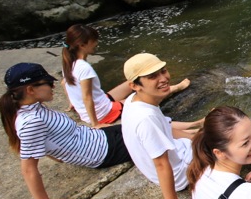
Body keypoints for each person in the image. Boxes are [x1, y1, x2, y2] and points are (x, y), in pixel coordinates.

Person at [120, 53, 251, 199]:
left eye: (163, 71)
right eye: (152, 77)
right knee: (241, 135)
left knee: (222, 126)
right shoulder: (146, 118)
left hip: (179, 152)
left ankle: (216, 137)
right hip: (180, 171)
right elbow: (161, 164)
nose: (163, 78)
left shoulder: (134, 102)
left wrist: (197, 125)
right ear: (134, 85)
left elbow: (167, 128)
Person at [0, 62, 132, 199]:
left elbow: (45, 141)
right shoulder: (31, 122)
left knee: (155, 124)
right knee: (159, 134)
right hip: (104, 152)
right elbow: (28, 169)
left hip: (98, 137)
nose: (53, 87)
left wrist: (56, 153)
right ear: (30, 90)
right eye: (48, 83)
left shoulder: (34, 107)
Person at [61, 24, 190, 127]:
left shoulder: (69, 62)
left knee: (133, 80)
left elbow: (64, 83)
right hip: (105, 113)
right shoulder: (84, 68)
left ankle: (150, 85)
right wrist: (95, 123)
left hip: (100, 102)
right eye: (94, 40)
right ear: (82, 45)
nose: (96, 43)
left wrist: (72, 103)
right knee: (148, 94)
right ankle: (176, 87)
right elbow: (87, 97)